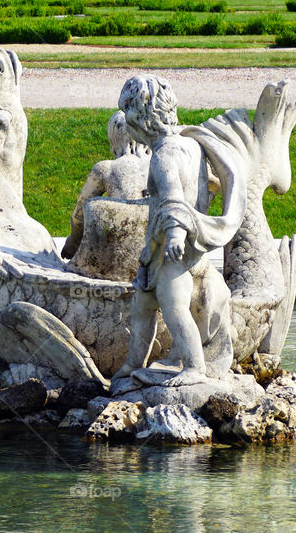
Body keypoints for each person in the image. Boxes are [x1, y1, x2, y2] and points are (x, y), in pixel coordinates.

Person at [111, 75, 246, 386]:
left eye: (127, 111)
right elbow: (202, 188)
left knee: (173, 307)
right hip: (179, 247)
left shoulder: (162, 155)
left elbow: (173, 198)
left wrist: (174, 235)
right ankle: (134, 363)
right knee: (143, 305)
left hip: (174, 247)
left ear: (141, 117)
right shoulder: (190, 143)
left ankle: (194, 367)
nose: (125, 122)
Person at [60, 111, 150, 259]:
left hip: (120, 255)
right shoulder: (160, 164)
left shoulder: (106, 169)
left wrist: (73, 243)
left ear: (113, 139)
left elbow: (78, 216)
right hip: (155, 254)